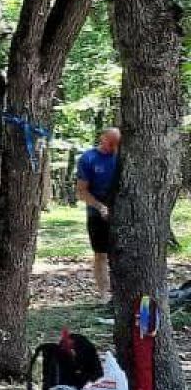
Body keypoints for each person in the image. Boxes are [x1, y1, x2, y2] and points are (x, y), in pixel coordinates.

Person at [76, 128, 121, 302]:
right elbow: (82, 192)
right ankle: (104, 294)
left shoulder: (122, 156)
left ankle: (121, 293)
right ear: (102, 139)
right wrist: (100, 207)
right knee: (101, 253)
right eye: (111, 143)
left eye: (117, 144)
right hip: (96, 212)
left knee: (123, 253)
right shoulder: (88, 159)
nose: (114, 147)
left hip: (122, 210)